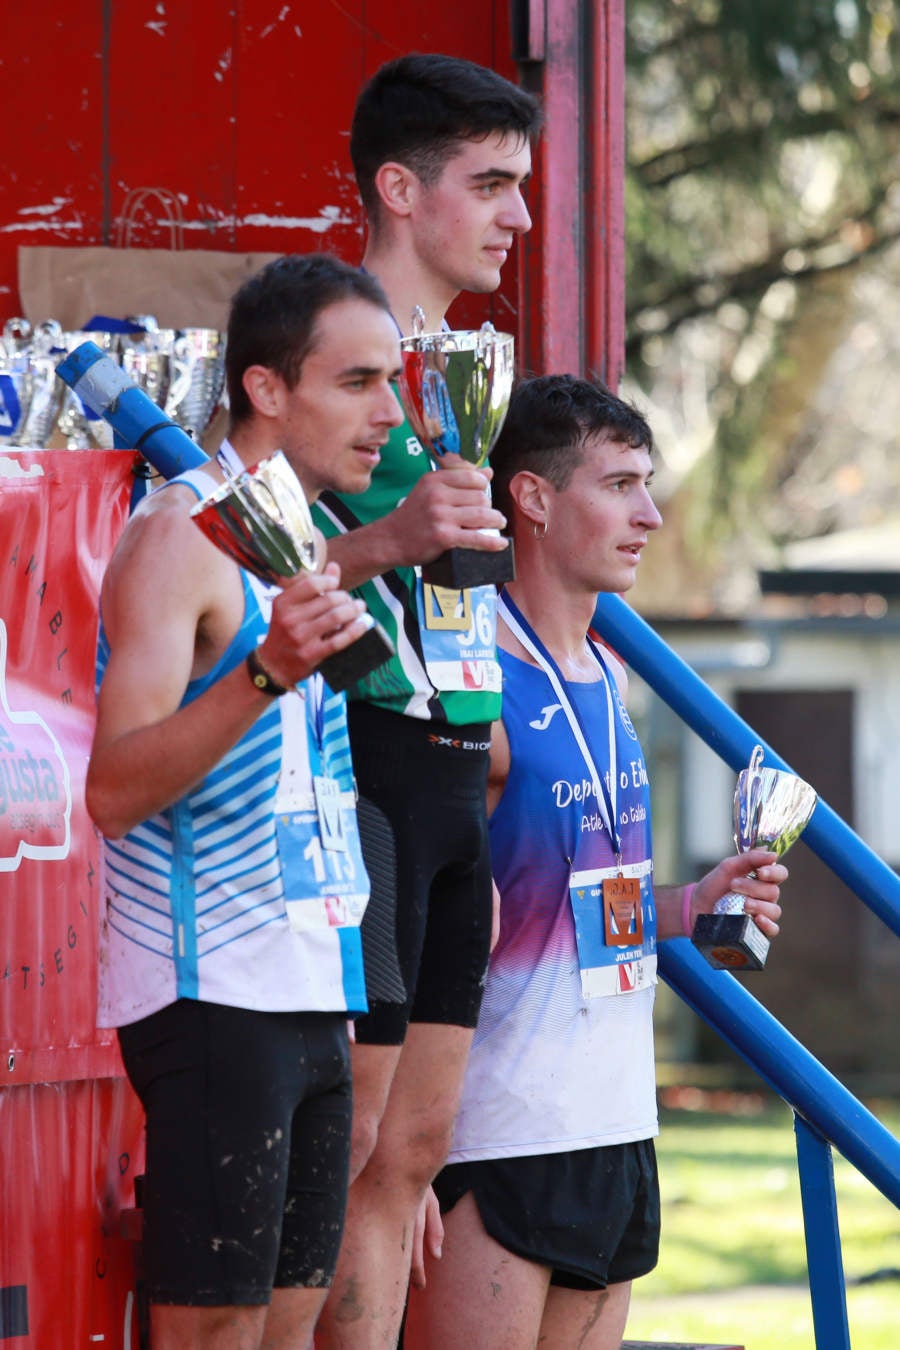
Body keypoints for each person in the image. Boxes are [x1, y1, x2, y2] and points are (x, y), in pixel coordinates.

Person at [403, 374, 787, 1350]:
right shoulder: (469, 665)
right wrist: (395, 1159)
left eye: (646, 484)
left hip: (616, 1123)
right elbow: (418, 909)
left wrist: (690, 904)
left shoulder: (606, 675)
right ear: (531, 498)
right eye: (619, 485)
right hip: (497, 1133)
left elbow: (564, 901)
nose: (650, 514)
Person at [86, 253, 405, 1350]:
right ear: (268, 389)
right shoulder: (182, 533)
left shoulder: (304, 542)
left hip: (313, 983)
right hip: (212, 991)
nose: (389, 414)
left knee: (285, 1332)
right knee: (212, 1336)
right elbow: (113, 789)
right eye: (358, 383)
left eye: (396, 382)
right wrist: (264, 672)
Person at [311, 53, 542, 1348]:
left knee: (411, 1152)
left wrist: (490, 705)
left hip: (455, 777)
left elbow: (454, 575)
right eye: (491, 182)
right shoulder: (320, 344)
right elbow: (243, 555)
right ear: (400, 189)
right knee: (332, 1157)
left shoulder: (466, 370)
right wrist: (386, 542)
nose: (517, 212)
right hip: (359, 776)